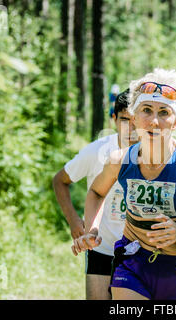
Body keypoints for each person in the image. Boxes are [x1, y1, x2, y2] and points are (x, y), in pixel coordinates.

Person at [72, 68, 176, 300]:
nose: (154, 122)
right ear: (135, 118)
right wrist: (93, 229)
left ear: (175, 122)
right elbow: (97, 191)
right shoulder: (119, 160)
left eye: (164, 113)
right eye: (146, 110)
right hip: (132, 261)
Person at [53, 89, 137, 300]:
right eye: (124, 120)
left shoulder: (154, 155)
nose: (131, 129)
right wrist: (74, 221)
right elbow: (60, 181)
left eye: (136, 121)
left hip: (140, 251)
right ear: (113, 119)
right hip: (101, 247)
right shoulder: (96, 151)